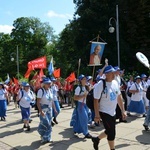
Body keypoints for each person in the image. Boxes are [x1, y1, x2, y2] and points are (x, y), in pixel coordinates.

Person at [91, 65, 126, 150]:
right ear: (107, 74)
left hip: (112, 111)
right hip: (104, 111)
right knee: (112, 132)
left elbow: (119, 96)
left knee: (109, 129)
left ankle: (96, 139)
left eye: (114, 72)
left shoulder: (115, 83)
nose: (114, 74)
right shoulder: (100, 85)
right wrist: (97, 115)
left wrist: (123, 110)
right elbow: (95, 100)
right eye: (112, 73)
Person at [70, 74, 92, 139]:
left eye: (85, 79)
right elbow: (75, 98)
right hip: (80, 105)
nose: (85, 80)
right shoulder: (78, 88)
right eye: (84, 79)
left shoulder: (86, 87)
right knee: (84, 118)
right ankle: (86, 133)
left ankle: (76, 129)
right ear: (80, 80)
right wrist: (83, 96)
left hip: (85, 105)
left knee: (81, 118)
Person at [37, 77, 57, 144]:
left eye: (49, 83)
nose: (49, 84)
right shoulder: (41, 91)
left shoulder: (50, 90)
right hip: (43, 108)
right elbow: (38, 102)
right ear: (43, 84)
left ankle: (47, 137)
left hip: (50, 109)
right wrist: (40, 111)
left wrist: (54, 109)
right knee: (46, 123)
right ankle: (44, 136)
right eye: (47, 83)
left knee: (49, 124)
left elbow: (52, 101)